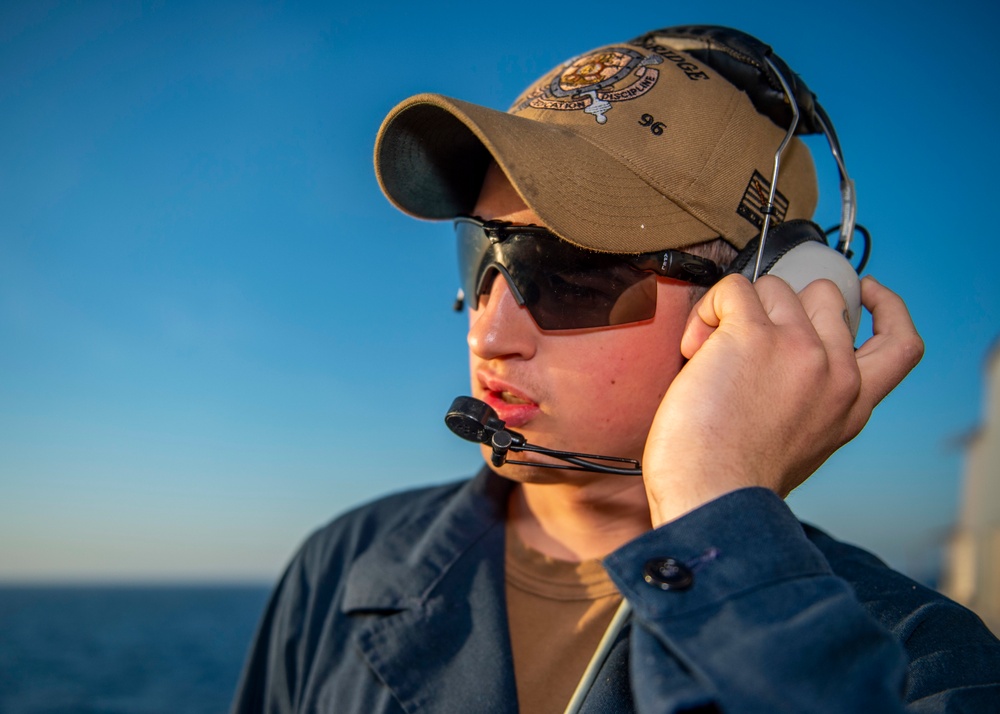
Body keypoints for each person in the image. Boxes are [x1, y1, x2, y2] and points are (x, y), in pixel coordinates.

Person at [231, 25, 1000, 713]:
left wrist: (716, 505)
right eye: (483, 262)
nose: (489, 333)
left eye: (568, 274)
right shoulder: (340, 567)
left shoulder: (924, 662)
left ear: (775, 305)